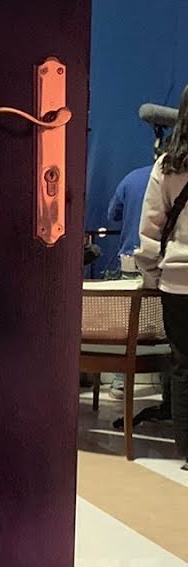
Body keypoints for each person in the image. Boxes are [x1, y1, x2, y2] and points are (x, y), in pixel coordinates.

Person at [135, 85, 188, 470]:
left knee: (183, 366)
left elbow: (150, 230)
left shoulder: (168, 166)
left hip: (178, 282)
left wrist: (152, 276)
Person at [104, 138, 167, 398]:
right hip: (164, 262)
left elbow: (113, 215)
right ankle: (168, 385)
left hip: (130, 257)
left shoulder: (131, 178)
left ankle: (120, 381)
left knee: (127, 323)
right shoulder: (173, 179)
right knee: (167, 323)